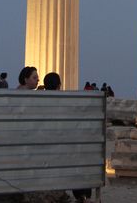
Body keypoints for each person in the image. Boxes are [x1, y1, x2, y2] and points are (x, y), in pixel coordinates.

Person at [44, 72, 91, 202]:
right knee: (78, 163)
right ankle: (82, 195)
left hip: (44, 151)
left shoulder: (39, 101)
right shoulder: (64, 102)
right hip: (60, 152)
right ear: (59, 85)